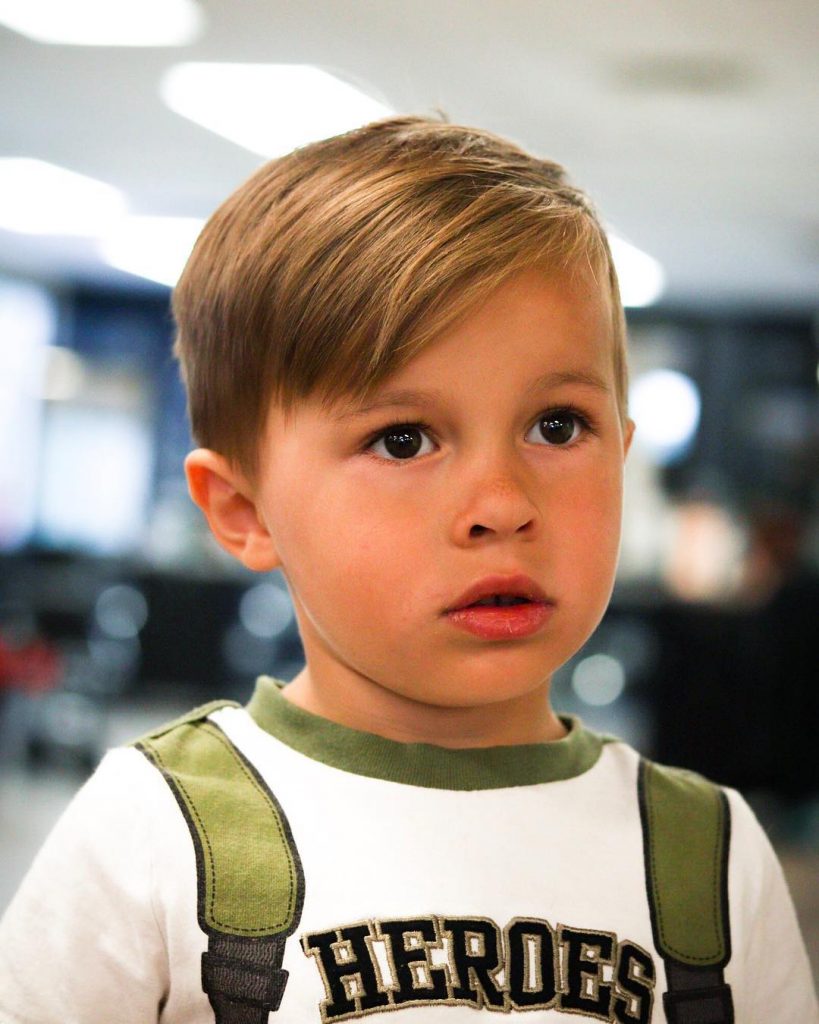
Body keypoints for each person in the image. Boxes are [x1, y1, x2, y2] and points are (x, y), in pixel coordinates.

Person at [0, 116, 815, 1024]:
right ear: (243, 511)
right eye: (402, 439)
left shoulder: (710, 859)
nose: (501, 502)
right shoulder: (157, 829)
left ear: (621, 455)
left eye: (557, 426)